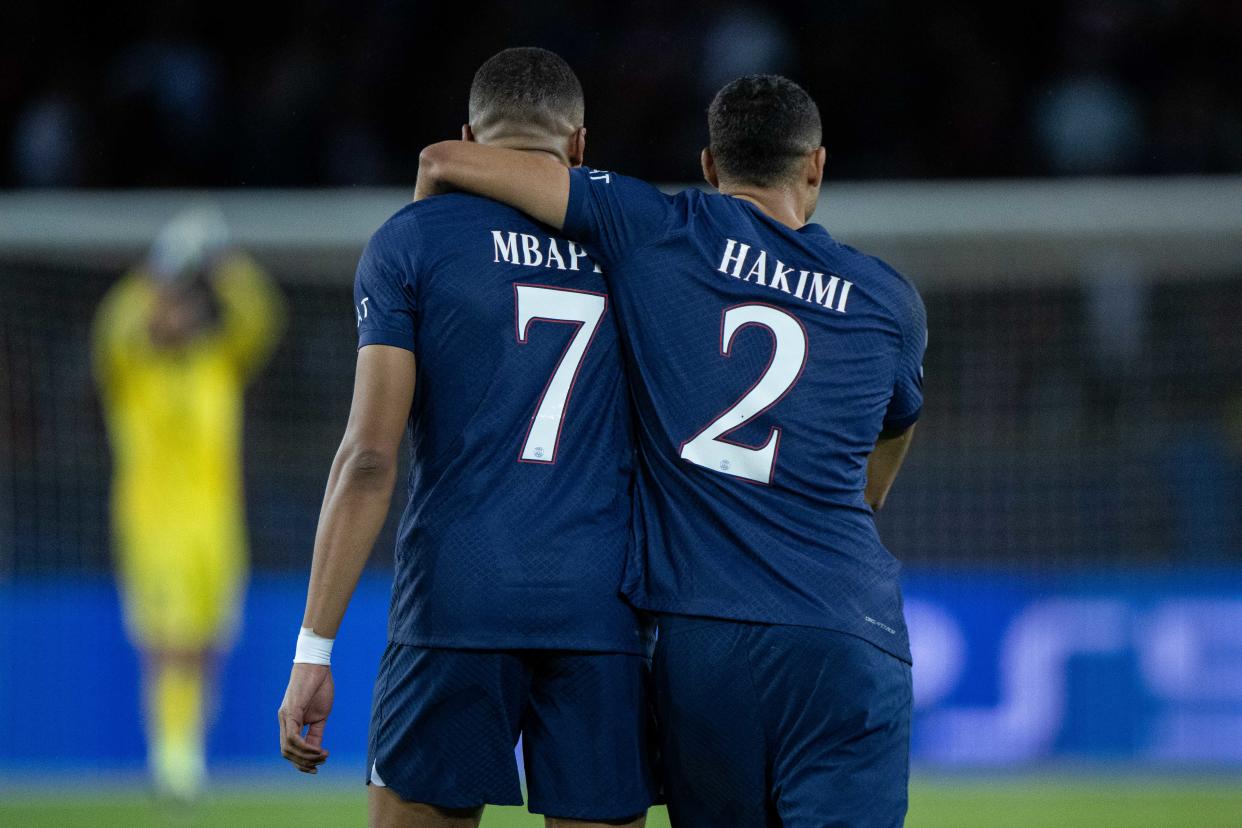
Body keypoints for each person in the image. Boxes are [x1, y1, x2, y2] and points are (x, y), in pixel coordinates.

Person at [416, 73, 926, 827]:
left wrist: (437, 219)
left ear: (711, 167)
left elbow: (454, 162)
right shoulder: (887, 298)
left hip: (701, 641)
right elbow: (891, 439)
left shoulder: (658, 226)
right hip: (846, 630)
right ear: (815, 164)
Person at [276, 48, 655, 828]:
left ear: (470, 138)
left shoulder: (412, 240)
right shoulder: (638, 248)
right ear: (579, 146)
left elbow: (370, 454)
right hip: (603, 609)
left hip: (456, 603)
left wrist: (314, 650)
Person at [93, 206, 286, 801]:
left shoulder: (213, 365)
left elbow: (263, 318)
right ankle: (172, 756)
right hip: (153, 525)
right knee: (169, 641)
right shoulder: (131, 370)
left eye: (184, 305)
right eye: (167, 305)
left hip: (216, 526)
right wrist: (156, 269)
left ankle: (185, 748)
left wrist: (224, 263)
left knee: (207, 645)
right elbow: (111, 323)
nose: (177, 315)